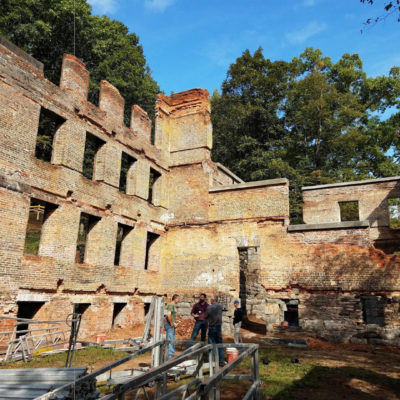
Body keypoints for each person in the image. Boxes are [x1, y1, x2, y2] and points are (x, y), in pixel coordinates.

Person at [205, 297, 225, 366]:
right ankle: (221, 361)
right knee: (220, 343)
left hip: (212, 327)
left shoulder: (209, 308)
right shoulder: (220, 306)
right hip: (218, 326)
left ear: (212, 300)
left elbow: (206, 316)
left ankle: (212, 360)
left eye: (210, 299)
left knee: (211, 343)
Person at [165, 294, 180, 358]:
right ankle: (169, 354)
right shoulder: (171, 305)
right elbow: (169, 314)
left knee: (172, 338)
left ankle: (171, 353)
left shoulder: (173, 305)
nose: (178, 300)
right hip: (169, 324)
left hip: (172, 324)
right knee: (170, 338)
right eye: (178, 299)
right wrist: (171, 322)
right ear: (175, 299)